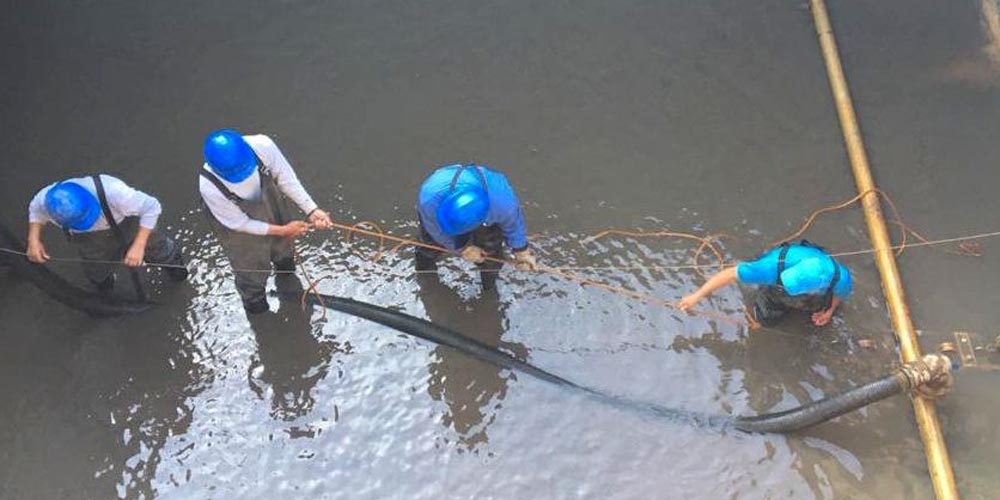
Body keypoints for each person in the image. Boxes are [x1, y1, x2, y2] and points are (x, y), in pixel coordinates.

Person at [198, 129, 333, 314]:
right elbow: (241, 224)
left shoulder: (263, 146)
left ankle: (286, 276)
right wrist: (283, 230)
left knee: (283, 251)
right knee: (250, 269)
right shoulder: (209, 186)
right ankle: (257, 308)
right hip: (237, 227)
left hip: (271, 202)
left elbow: (286, 178)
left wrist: (311, 209)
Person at [26, 174, 188, 294]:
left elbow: (152, 207)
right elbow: (35, 209)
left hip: (128, 225)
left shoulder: (115, 193)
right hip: (90, 240)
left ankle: (178, 275)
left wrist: (139, 245)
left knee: (161, 251)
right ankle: (105, 293)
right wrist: (33, 239)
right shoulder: (47, 200)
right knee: (96, 271)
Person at [415, 163, 537, 291]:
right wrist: (462, 248)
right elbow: (437, 231)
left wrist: (521, 251)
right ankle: (424, 278)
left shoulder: (503, 205)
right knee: (427, 247)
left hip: (486, 211)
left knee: (491, 257)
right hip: (440, 217)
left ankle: (489, 289)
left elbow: (513, 225)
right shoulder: (429, 201)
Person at [678, 240, 852, 327]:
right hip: (775, 270)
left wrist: (829, 311)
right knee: (765, 318)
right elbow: (730, 274)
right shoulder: (768, 268)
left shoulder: (839, 277)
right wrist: (696, 296)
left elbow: (839, 294)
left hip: (818, 290)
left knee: (820, 306)